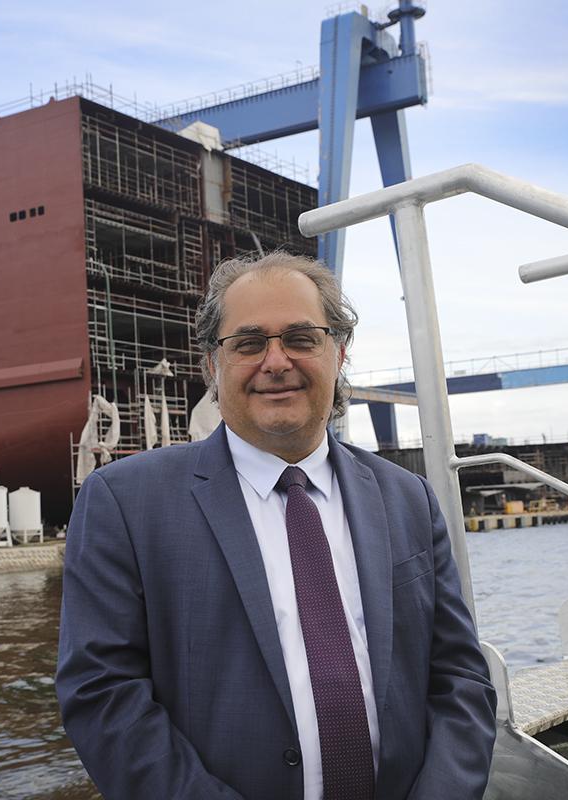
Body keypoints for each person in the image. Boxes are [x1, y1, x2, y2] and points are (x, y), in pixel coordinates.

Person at [57, 251, 496, 800]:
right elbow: (103, 693)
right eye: (248, 343)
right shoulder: (124, 503)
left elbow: (460, 678)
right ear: (213, 364)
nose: (276, 361)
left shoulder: (408, 499)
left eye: (301, 338)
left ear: (339, 352)